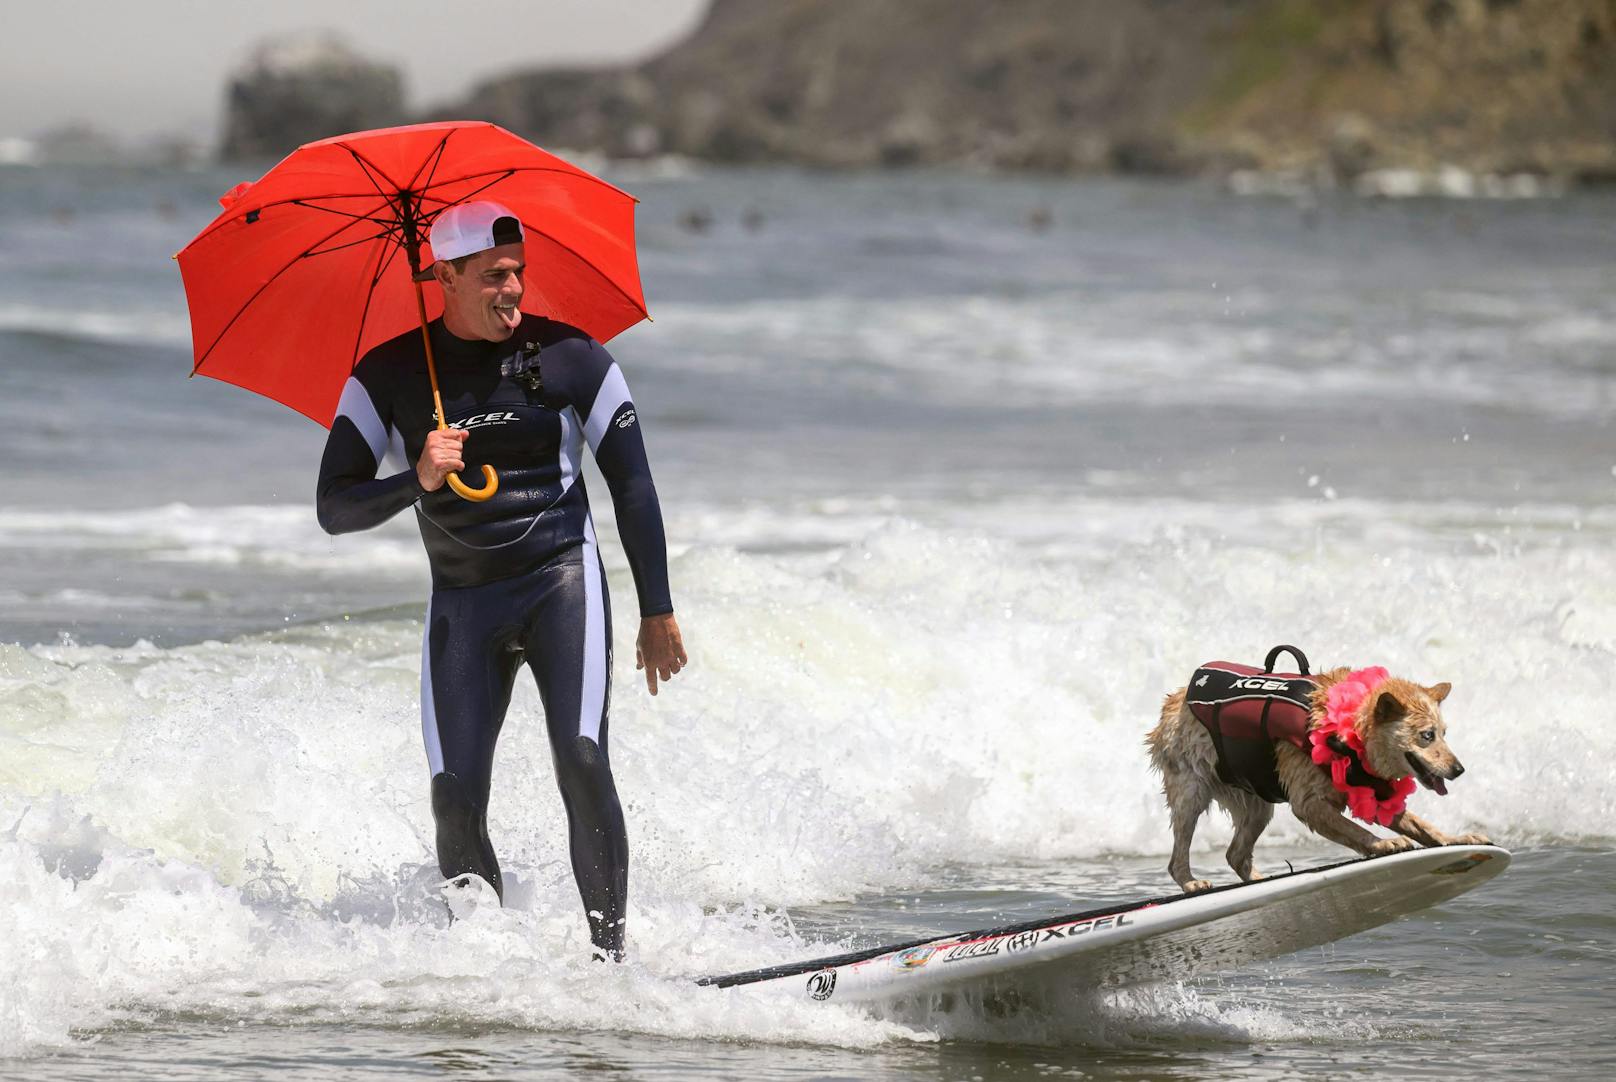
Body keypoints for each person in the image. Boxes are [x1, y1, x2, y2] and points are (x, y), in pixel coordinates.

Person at [314, 200, 685, 959]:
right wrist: (415, 478)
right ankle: (484, 970)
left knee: (580, 757)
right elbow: (333, 507)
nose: (513, 289)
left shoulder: (577, 359)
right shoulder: (387, 375)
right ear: (443, 277)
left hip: (560, 580)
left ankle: (610, 963)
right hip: (463, 597)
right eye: (492, 276)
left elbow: (635, 487)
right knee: (453, 794)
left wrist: (658, 611)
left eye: (517, 272)